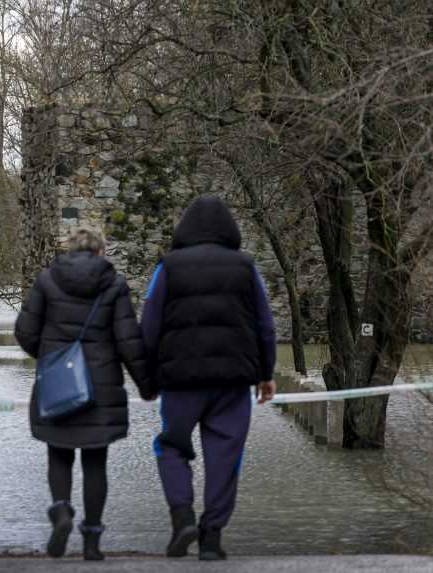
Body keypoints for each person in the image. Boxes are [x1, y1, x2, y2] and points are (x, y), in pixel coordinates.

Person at [140, 196, 277, 561]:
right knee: (225, 456)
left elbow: (149, 325)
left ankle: (182, 516)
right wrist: (266, 375)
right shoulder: (246, 267)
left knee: (171, 447)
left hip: (180, 381)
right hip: (232, 382)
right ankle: (212, 537)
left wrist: (147, 380)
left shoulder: (167, 267)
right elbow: (265, 325)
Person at [15, 228, 154, 561]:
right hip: (101, 385)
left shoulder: (47, 281)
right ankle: (92, 542)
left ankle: (61, 512)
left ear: (69, 250)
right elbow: (128, 340)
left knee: (59, 454)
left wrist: (49, 357)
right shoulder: (114, 285)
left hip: (57, 386)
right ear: (101, 252)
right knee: (95, 462)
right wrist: (148, 386)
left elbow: (25, 331)